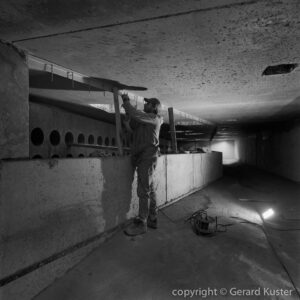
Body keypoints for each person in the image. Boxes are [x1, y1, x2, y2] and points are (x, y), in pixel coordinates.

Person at [121, 94, 163, 236]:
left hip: (147, 158)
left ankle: (142, 222)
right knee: (149, 188)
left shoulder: (153, 118)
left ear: (153, 107)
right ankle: (153, 218)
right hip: (143, 157)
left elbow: (135, 114)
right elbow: (135, 133)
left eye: (148, 103)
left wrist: (126, 102)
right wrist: (127, 125)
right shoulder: (145, 122)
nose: (145, 104)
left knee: (143, 190)